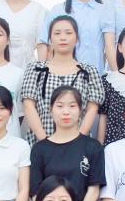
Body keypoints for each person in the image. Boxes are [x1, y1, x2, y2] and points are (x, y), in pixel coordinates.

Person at [28, 86, 105, 201]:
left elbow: (93, 190)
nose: (66, 112)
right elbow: (36, 192)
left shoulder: (92, 147)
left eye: (72, 106)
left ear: (81, 110)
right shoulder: (39, 149)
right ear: (50, 110)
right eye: (60, 106)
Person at [20, 16, 103, 145]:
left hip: (78, 145)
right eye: (57, 33)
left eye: (68, 33)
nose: (63, 38)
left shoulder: (89, 71)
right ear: (50, 39)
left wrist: (77, 141)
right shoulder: (35, 69)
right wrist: (45, 142)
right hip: (40, 144)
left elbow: (92, 109)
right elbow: (28, 106)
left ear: (77, 39)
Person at [39, 0, 114, 74]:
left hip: (95, 77)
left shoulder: (104, 11)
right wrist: (43, 74)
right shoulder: (58, 10)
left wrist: (117, 76)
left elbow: (109, 47)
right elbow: (43, 43)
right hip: (62, 77)